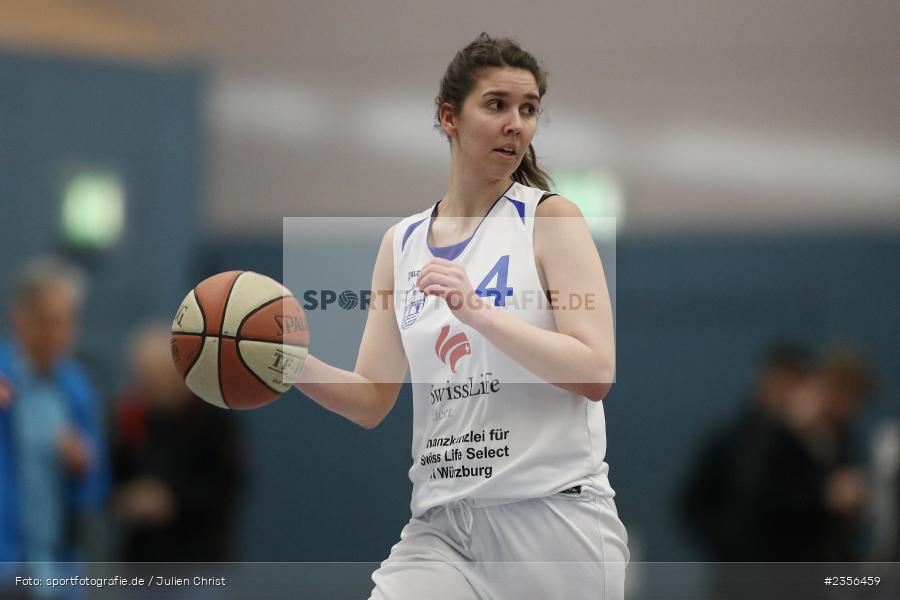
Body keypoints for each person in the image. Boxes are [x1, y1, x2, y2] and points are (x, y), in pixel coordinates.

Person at [295, 34, 628, 599]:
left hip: (553, 523)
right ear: (449, 117)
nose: (516, 124)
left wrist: (479, 312)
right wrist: (286, 363)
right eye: (497, 105)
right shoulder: (401, 243)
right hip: (442, 527)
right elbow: (372, 397)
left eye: (528, 109)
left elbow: (596, 371)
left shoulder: (551, 219)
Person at [0, 257, 108, 596]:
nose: (60, 335)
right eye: (50, 322)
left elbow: (95, 491)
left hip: (57, 575)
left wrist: (82, 466)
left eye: (69, 322)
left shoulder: (78, 391)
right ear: (20, 318)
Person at [112, 323, 245, 562]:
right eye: (144, 377)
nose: (150, 386)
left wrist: (172, 501)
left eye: (157, 376)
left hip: (200, 555)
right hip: (142, 557)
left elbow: (227, 483)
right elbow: (114, 475)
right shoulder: (130, 416)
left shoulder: (212, 419)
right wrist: (127, 498)